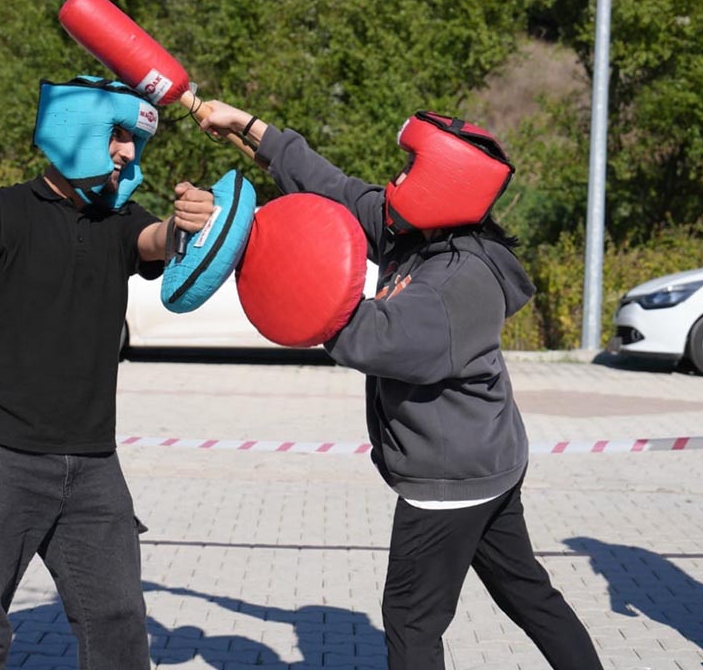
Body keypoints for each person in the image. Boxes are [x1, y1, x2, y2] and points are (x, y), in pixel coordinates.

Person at [197, 101, 603, 670]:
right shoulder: (418, 236)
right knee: (526, 592)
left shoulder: (458, 280)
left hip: (451, 475)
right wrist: (248, 127)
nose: (397, 180)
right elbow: (334, 188)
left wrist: (258, 252)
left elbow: (370, 338)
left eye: (412, 169)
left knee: (411, 620)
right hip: (483, 461)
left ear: (446, 185)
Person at [0, 76, 214, 670]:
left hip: (93, 465)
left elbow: (157, 239)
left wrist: (188, 222)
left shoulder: (121, 220)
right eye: (118, 136)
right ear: (72, 128)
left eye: (135, 141)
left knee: (119, 631)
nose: (129, 153)